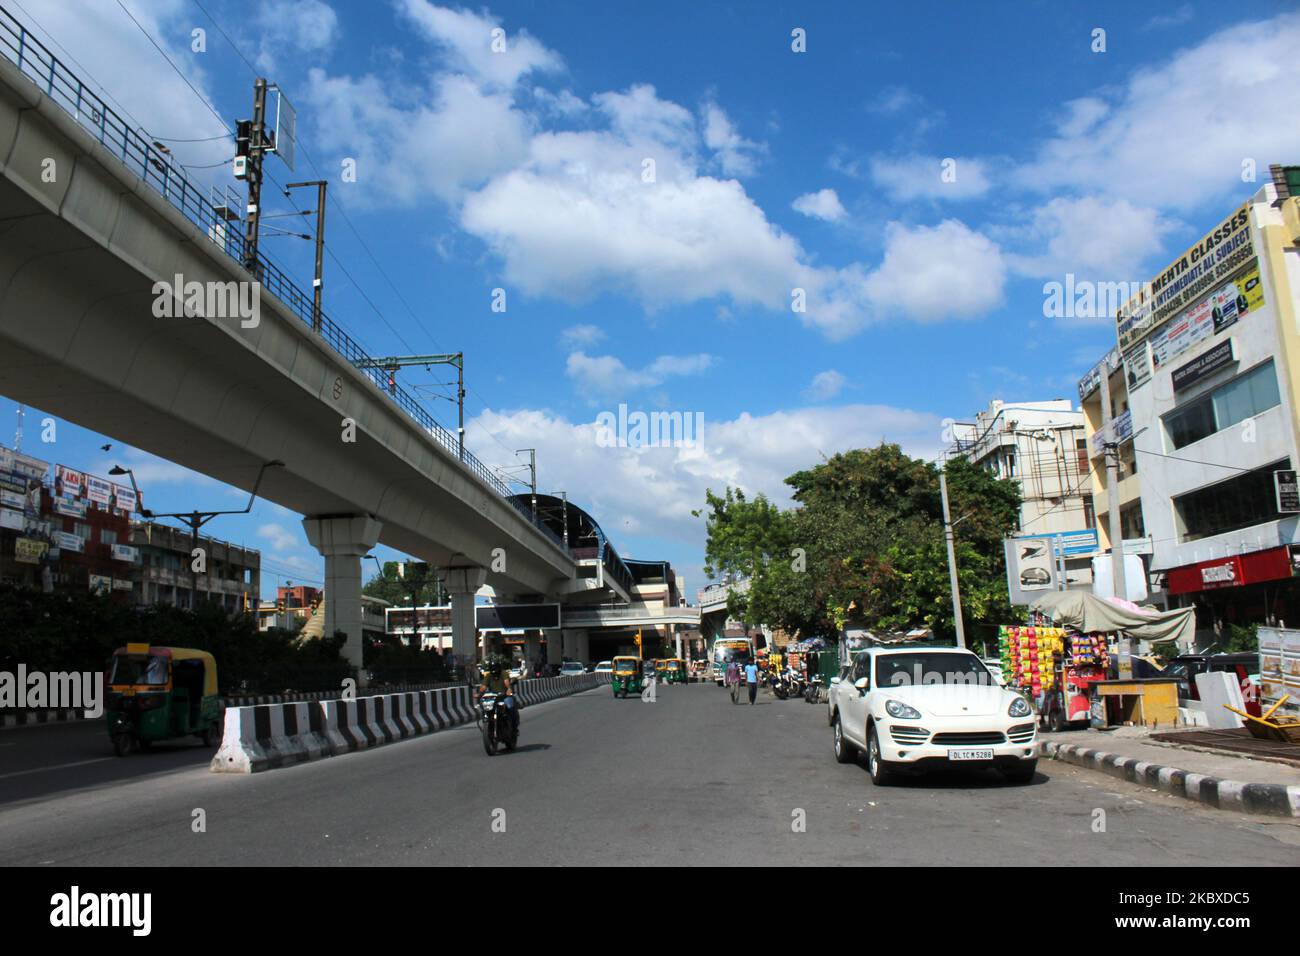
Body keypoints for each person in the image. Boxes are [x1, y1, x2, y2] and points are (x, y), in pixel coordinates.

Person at [478, 653, 519, 736]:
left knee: (510, 708)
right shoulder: (488, 675)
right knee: (483, 709)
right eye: (493, 668)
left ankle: (514, 728)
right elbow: (483, 687)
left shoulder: (504, 673)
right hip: (493, 698)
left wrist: (508, 689)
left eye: (496, 668)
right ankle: (488, 725)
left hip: (504, 697)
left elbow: (506, 682)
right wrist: (479, 693)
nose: (494, 671)